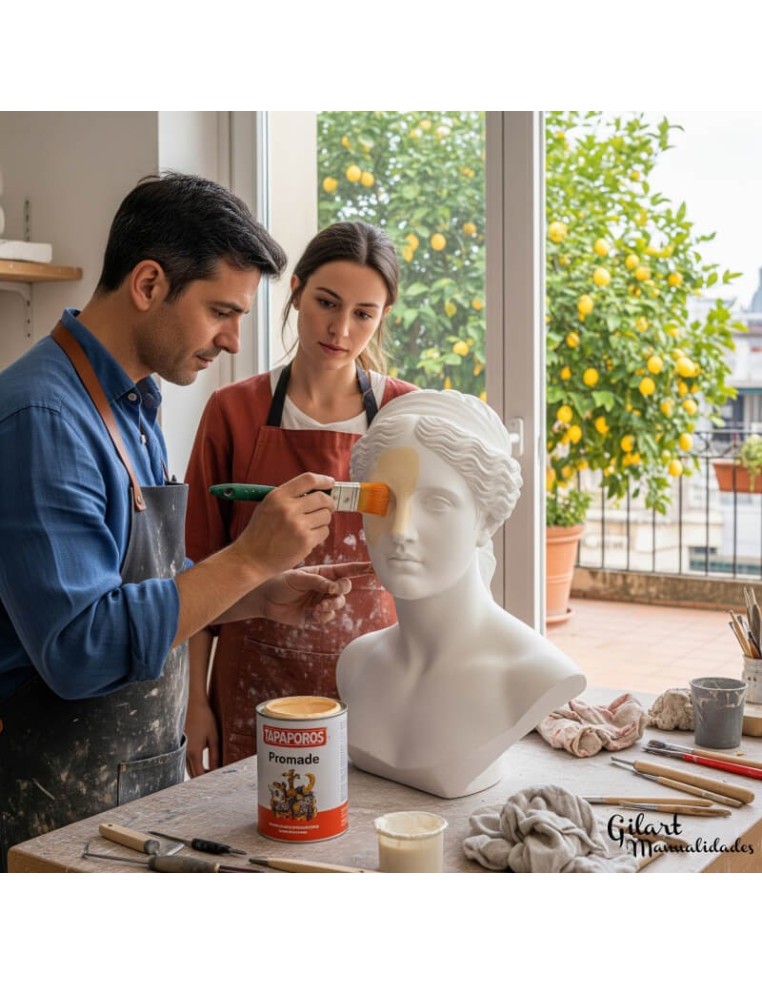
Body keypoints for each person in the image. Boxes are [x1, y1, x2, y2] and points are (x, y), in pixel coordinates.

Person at [0, 173, 365, 870]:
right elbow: (80, 648)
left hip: (135, 788)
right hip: (45, 811)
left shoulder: (134, 403)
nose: (232, 340)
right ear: (147, 285)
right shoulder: (42, 418)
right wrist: (248, 559)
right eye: (220, 312)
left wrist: (254, 593)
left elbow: (146, 581)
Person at [183, 221, 417, 774]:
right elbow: (194, 566)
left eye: (364, 314)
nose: (340, 329)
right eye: (326, 303)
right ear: (296, 290)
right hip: (251, 688)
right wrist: (194, 701)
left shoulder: (406, 417)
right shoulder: (232, 412)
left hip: (375, 689)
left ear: (384, 317)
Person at [336, 389, 586, 798]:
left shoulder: (532, 675)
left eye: (436, 503)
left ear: (486, 519)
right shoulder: (357, 664)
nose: (401, 531)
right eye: (384, 502)